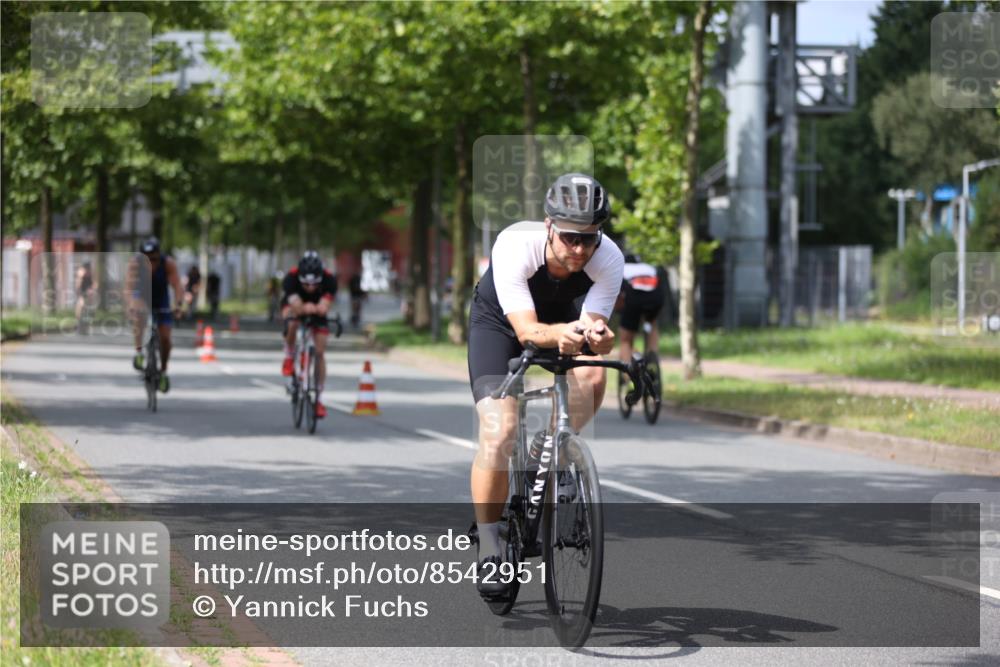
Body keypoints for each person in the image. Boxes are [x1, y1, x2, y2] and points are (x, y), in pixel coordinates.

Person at [466, 173, 623, 599]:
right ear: (549, 226)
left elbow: (594, 326)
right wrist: (563, 335)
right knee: (499, 432)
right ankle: (491, 544)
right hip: (501, 323)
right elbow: (528, 331)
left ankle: (551, 447)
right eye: (570, 238)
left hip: (563, 314)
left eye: (589, 240)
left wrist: (600, 337)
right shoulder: (516, 245)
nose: (579, 250)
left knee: (593, 372)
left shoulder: (607, 258)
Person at [280, 251, 338, 419]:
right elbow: (297, 306)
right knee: (292, 322)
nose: (311, 288)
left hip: (316, 311)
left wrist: (320, 306)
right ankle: (289, 357)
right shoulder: (290, 278)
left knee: (320, 351)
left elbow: (324, 305)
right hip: (295, 306)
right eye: (306, 284)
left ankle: (319, 398)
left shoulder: (329, 280)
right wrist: (304, 308)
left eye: (314, 284)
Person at [128, 237, 184, 392]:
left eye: (154, 259)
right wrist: (131, 305)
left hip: (161, 300)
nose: (151, 263)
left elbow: (177, 285)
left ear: (160, 256)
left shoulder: (168, 264)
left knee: (165, 338)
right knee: (138, 318)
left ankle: (163, 371)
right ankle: (138, 351)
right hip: (142, 297)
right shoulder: (135, 264)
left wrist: (178, 305)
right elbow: (129, 288)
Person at [618, 253, 665, 364]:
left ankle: (627, 376)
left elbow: (619, 295)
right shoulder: (649, 268)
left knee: (626, 339)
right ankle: (653, 355)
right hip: (656, 298)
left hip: (634, 299)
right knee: (652, 322)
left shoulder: (621, 268)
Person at [74, 261, 95, 333]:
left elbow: (92, 283)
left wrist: (92, 290)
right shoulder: (81, 273)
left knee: (89, 305)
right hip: (81, 290)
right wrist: (80, 294)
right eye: (87, 269)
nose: (88, 270)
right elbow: (78, 285)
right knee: (81, 304)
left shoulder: (90, 274)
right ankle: (78, 321)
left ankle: (86, 324)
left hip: (88, 291)